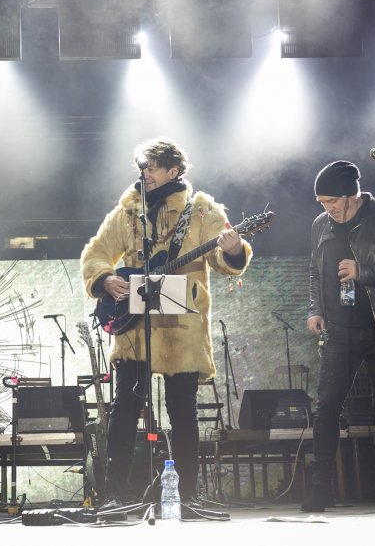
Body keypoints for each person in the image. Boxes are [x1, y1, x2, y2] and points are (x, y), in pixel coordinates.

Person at [81, 137, 253, 508]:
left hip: (180, 328)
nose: (146, 173)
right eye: (143, 167)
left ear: (175, 169)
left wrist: (235, 248)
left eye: (154, 166)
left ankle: (188, 492)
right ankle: (116, 492)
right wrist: (105, 278)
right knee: (125, 408)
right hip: (133, 329)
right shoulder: (128, 211)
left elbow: (224, 263)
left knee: (182, 410)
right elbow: (96, 252)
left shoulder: (202, 209)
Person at [303, 160, 375, 512]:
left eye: (332, 202)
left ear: (351, 195)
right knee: (327, 408)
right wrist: (315, 309)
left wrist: (364, 271)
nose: (328, 209)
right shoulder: (320, 225)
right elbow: (314, 271)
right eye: (322, 203)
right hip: (340, 330)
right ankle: (321, 490)